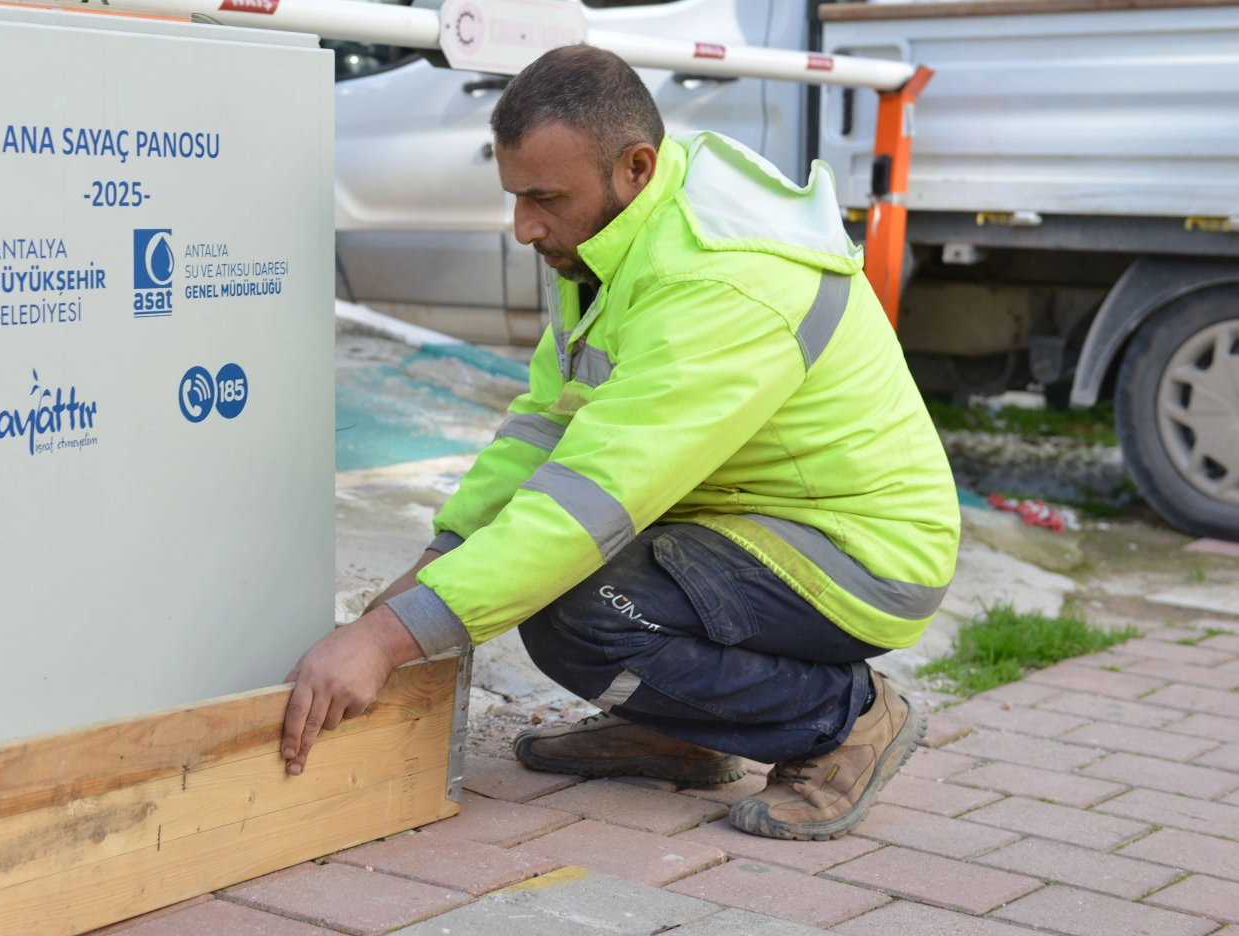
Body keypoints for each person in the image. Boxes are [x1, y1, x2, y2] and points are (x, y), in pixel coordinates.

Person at [281, 45, 960, 841]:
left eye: (542, 198)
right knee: (563, 583)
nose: (521, 227)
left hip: (859, 554)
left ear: (634, 166)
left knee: (576, 608)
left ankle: (845, 720)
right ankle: (687, 730)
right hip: (742, 520)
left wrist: (385, 639)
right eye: (514, 196)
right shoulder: (611, 232)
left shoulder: (719, 280)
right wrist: (431, 570)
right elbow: (544, 428)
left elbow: (585, 502)